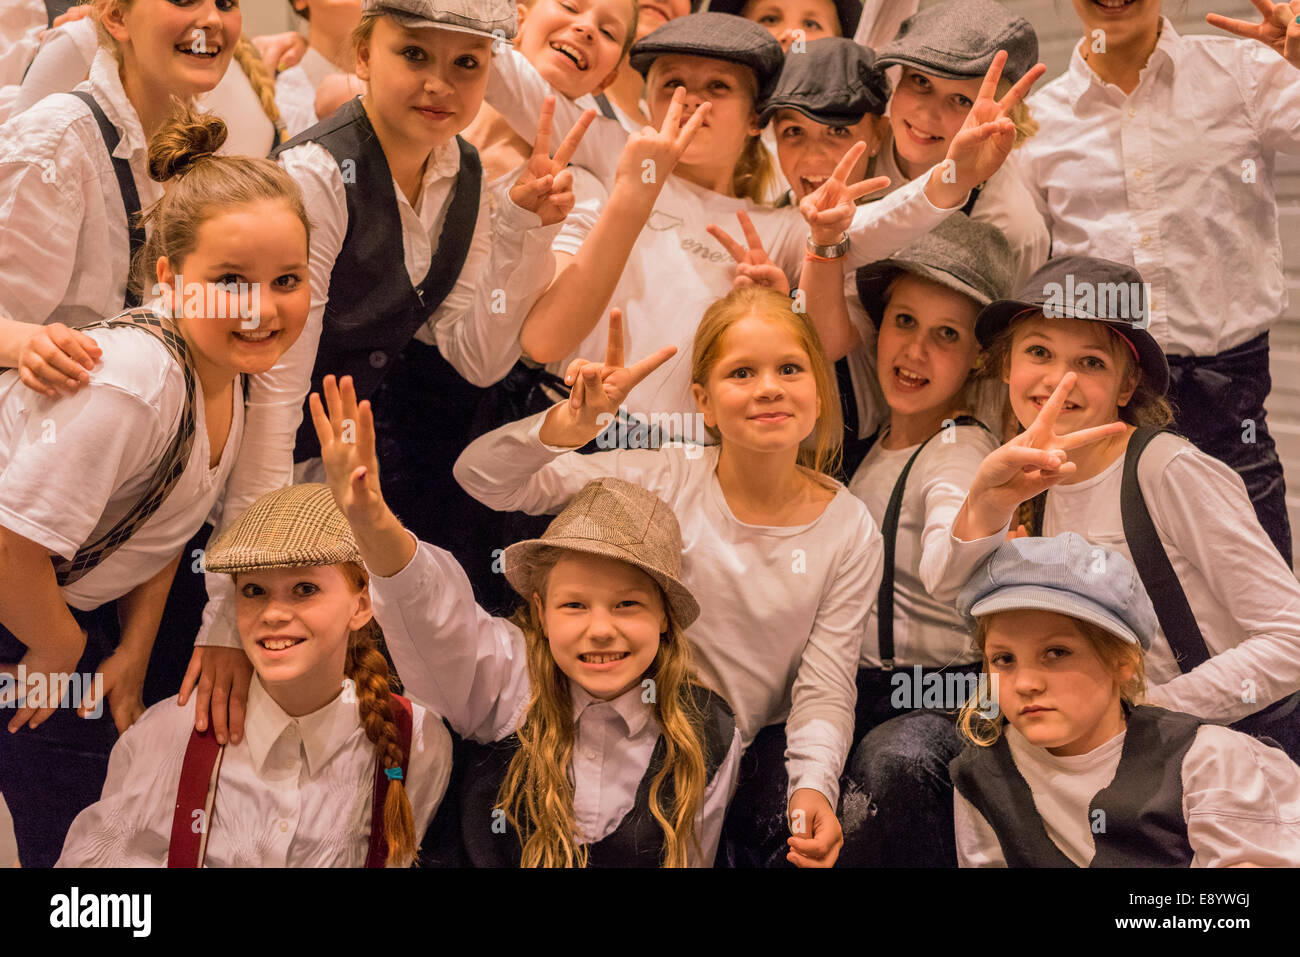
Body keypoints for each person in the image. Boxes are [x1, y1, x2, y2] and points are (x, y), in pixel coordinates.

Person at [456, 287, 882, 867]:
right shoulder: (666, 476)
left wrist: (813, 785)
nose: (768, 387)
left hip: (734, 754)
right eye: (741, 372)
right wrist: (568, 423)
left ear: (819, 388)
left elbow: (826, 685)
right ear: (703, 401)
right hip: (617, 728)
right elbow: (483, 478)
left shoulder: (850, 528)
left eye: (790, 368)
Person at [0, 107, 311, 866]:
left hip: (60, 615)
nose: (261, 308)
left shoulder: (225, 371)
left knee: (95, 828)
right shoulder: (135, 382)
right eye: (230, 281)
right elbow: (9, 542)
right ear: (170, 278)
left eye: (287, 281)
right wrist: (58, 644)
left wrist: (135, 648)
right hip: (26, 615)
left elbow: (162, 523)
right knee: (70, 843)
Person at [493, 11, 1032, 431]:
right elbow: (506, 79)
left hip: (685, 454)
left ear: (756, 120)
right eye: (673, 84)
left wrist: (950, 179)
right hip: (552, 418)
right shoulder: (618, 153)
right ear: (649, 105)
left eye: (718, 88)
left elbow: (866, 229)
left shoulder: (775, 230)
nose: (693, 101)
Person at [311, 374, 741, 865]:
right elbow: (430, 614)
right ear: (540, 610)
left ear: (665, 616)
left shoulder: (708, 730)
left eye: (627, 605)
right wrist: (372, 521)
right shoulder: (511, 679)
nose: (601, 628)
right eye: (574, 605)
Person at [938, 256, 1300, 762]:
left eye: (1090, 363)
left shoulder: (1167, 471)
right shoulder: (1023, 474)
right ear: (1006, 364)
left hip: (1215, 759)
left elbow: (1290, 638)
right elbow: (947, 592)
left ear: (1126, 387)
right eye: (1039, 352)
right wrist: (987, 501)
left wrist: (1145, 714)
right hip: (1105, 758)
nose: (1059, 382)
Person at [1015, 0, 1300, 566]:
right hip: (1100, 396)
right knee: (1109, 607)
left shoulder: (1243, 72)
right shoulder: (1040, 121)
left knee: (1265, 608)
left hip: (1230, 391)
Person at [56, 483, 454, 867]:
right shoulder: (171, 735)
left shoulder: (416, 741)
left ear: (361, 604)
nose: (274, 613)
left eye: (304, 588)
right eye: (254, 591)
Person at [830, 214, 1015, 867]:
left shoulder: (960, 450)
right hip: (861, 689)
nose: (914, 351)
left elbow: (950, 564)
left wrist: (985, 506)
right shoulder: (875, 442)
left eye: (946, 335)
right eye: (904, 321)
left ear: (979, 358)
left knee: (895, 765)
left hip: (943, 695)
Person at [950, 533, 1300, 868]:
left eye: (1057, 652)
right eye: (1003, 659)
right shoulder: (981, 774)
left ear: (1123, 663)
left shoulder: (1210, 762)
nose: (1025, 683)